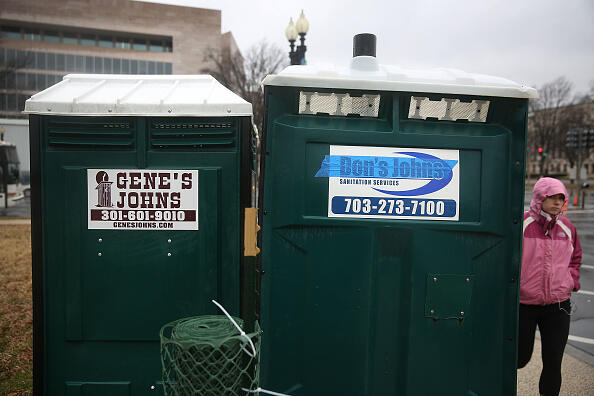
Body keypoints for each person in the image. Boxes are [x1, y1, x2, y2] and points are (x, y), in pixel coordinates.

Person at [518, 177, 582, 396]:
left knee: (554, 361)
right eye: (552, 198)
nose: (557, 203)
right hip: (523, 304)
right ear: (539, 198)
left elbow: (575, 259)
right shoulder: (522, 225)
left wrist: (570, 280)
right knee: (519, 357)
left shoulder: (568, 228)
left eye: (560, 198)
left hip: (558, 305)